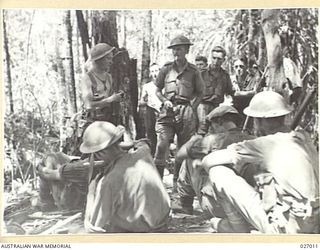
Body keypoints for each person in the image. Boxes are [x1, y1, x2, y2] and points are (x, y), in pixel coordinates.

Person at [202, 91, 319, 233]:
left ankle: (238, 228)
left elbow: (208, 161)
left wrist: (239, 165)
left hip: (286, 228)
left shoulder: (265, 144)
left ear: (259, 121)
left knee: (217, 172)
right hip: (313, 224)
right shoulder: (303, 138)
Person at [81, 121, 171, 233]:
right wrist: (119, 145)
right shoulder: (143, 153)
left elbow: (94, 228)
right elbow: (144, 142)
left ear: (100, 153)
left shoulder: (108, 182)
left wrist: (91, 191)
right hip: (163, 224)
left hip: (142, 235)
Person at [173, 106, 257, 219]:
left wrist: (193, 140)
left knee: (190, 158)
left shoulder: (213, 140)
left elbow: (179, 156)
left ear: (219, 122)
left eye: (211, 125)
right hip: (251, 205)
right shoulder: (254, 140)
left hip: (219, 208)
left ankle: (185, 205)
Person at [154, 35, 204, 183]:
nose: (176, 52)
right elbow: (157, 89)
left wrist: (191, 108)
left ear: (186, 50)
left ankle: (177, 182)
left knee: (182, 149)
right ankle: (157, 181)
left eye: (179, 49)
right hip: (167, 112)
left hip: (186, 112)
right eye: (174, 49)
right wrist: (164, 101)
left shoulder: (194, 71)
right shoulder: (166, 69)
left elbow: (201, 93)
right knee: (162, 145)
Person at [80, 43, 124, 124]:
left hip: (108, 121)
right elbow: (88, 105)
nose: (111, 62)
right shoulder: (87, 78)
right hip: (91, 122)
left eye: (111, 59)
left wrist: (117, 98)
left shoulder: (109, 77)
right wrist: (110, 100)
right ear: (98, 60)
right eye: (108, 59)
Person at [197, 46, 234, 135]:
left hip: (216, 107)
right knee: (202, 131)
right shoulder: (201, 73)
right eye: (214, 58)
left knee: (216, 132)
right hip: (203, 106)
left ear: (223, 60)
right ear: (211, 58)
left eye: (219, 59)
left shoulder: (225, 76)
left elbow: (230, 92)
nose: (216, 61)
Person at [138, 63, 162, 156]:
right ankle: (152, 155)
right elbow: (141, 101)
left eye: (156, 71)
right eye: (152, 71)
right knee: (151, 133)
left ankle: (162, 155)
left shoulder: (164, 85)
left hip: (162, 111)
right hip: (150, 111)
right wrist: (147, 101)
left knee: (162, 134)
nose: (155, 73)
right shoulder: (147, 86)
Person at [231, 58, 261, 126]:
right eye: (236, 67)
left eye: (241, 66)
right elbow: (231, 93)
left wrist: (239, 93)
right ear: (233, 68)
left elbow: (255, 92)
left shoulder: (253, 78)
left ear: (246, 68)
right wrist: (248, 93)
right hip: (236, 108)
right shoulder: (232, 79)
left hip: (249, 108)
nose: (238, 69)